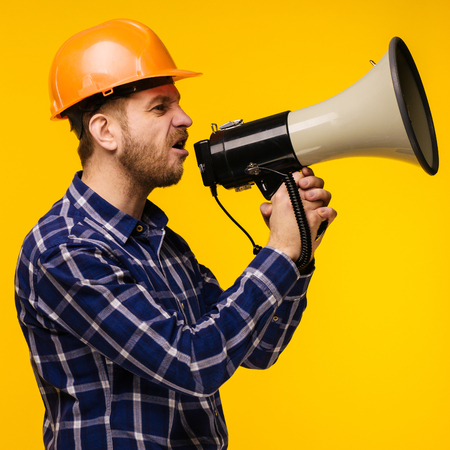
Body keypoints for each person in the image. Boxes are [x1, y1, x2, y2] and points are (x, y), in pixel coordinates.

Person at [14, 19, 337, 450]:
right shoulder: (64, 249)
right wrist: (278, 251)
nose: (185, 119)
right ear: (104, 131)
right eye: (160, 107)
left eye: (177, 104)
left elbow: (256, 349)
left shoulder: (164, 244)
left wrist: (299, 255)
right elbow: (193, 363)